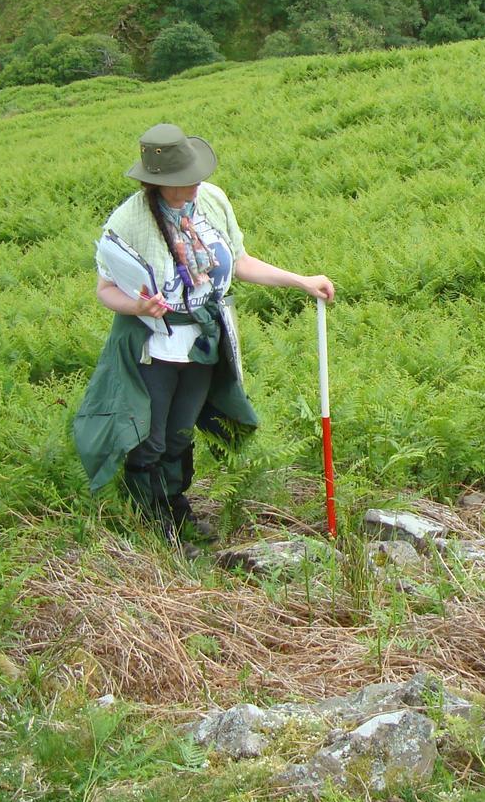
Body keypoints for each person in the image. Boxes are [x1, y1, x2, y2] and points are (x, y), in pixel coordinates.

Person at [72, 123, 336, 545]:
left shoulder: (212, 201)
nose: (194, 184)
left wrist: (300, 281)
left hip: (203, 342)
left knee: (179, 434)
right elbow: (105, 290)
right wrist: (139, 305)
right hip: (153, 346)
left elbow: (241, 261)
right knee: (149, 440)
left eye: (194, 174)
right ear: (155, 183)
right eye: (182, 180)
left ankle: (177, 510)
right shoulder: (129, 221)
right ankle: (156, 526)